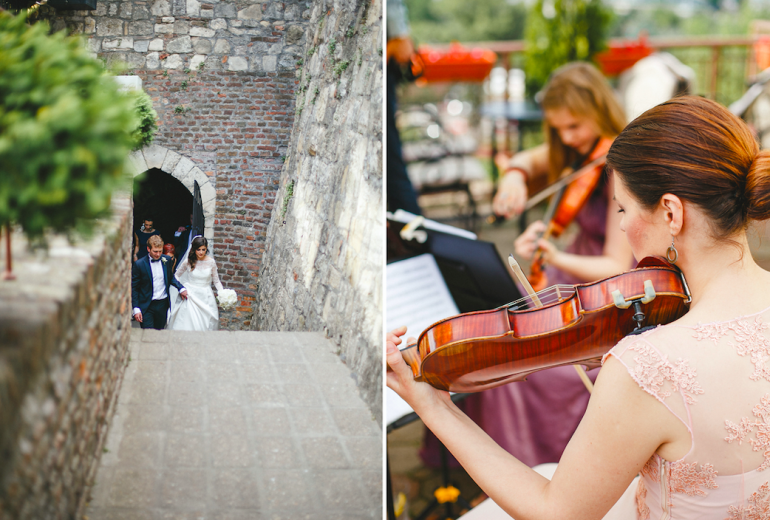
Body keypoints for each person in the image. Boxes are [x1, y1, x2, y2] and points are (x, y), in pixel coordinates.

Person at [389, 95, 770, 519]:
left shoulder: (650, 366)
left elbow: (557, 513)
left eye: (623, 208)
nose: (622, 224)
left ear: (671, 212)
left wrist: (431, 405)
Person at [423, 62, 635, 469]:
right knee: (491, 334)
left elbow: (615, 263)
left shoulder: (618, 168)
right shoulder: (578, 152)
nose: (566, 138)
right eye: (557, 130)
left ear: (598, 110)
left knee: (520, 362)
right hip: (567, 277)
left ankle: (526, 469)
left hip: (605, 291)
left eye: (573, 126)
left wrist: (553, 254)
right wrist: (515, 178)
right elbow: (528, 160)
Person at [167, 236, 224, 331]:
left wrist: (222, 293)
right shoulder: (188, 261)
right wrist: (182, 288)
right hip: (190, 295)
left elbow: (216, 280)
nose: (201, 252)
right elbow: (176, 276)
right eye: (198, 249)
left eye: (203, 249)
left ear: (206, 249)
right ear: (194, 249)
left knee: (206, 324)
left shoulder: (211, 262)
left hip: (206, 295)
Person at [132, 235, 187, 330]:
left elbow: (171, 278)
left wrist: (181, 288)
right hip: (146, 305)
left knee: (159, 333)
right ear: (148, 249)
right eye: (155, 251)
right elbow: (134, 288)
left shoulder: (167, 260)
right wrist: (136, 308)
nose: (158, 254)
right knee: (148, 335)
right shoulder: (139, 264)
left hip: (162, 304)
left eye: (160, 251)